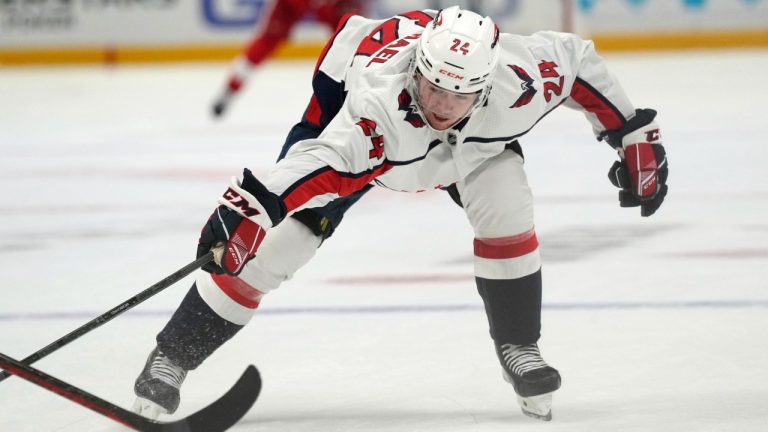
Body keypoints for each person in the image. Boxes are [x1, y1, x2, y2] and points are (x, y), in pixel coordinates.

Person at [133, 6, 668, 422]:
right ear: (417, 66)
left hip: (472, 149)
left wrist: (630, 132)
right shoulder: (376, 112)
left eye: (457, 94)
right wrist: (253, 207)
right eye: (432, 85)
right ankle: (172, 358)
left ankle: (520, 347)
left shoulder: (519, 77)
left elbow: (577, 60)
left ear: (486, 85)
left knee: (508, 205)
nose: (440, 104)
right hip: (369, 130)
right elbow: (317, 161)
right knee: (280, 246)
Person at [211, 0, 363, 118]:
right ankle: (230, 89)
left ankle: (362, 93)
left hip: (336, 4)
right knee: (267, 41)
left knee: (353, 39)